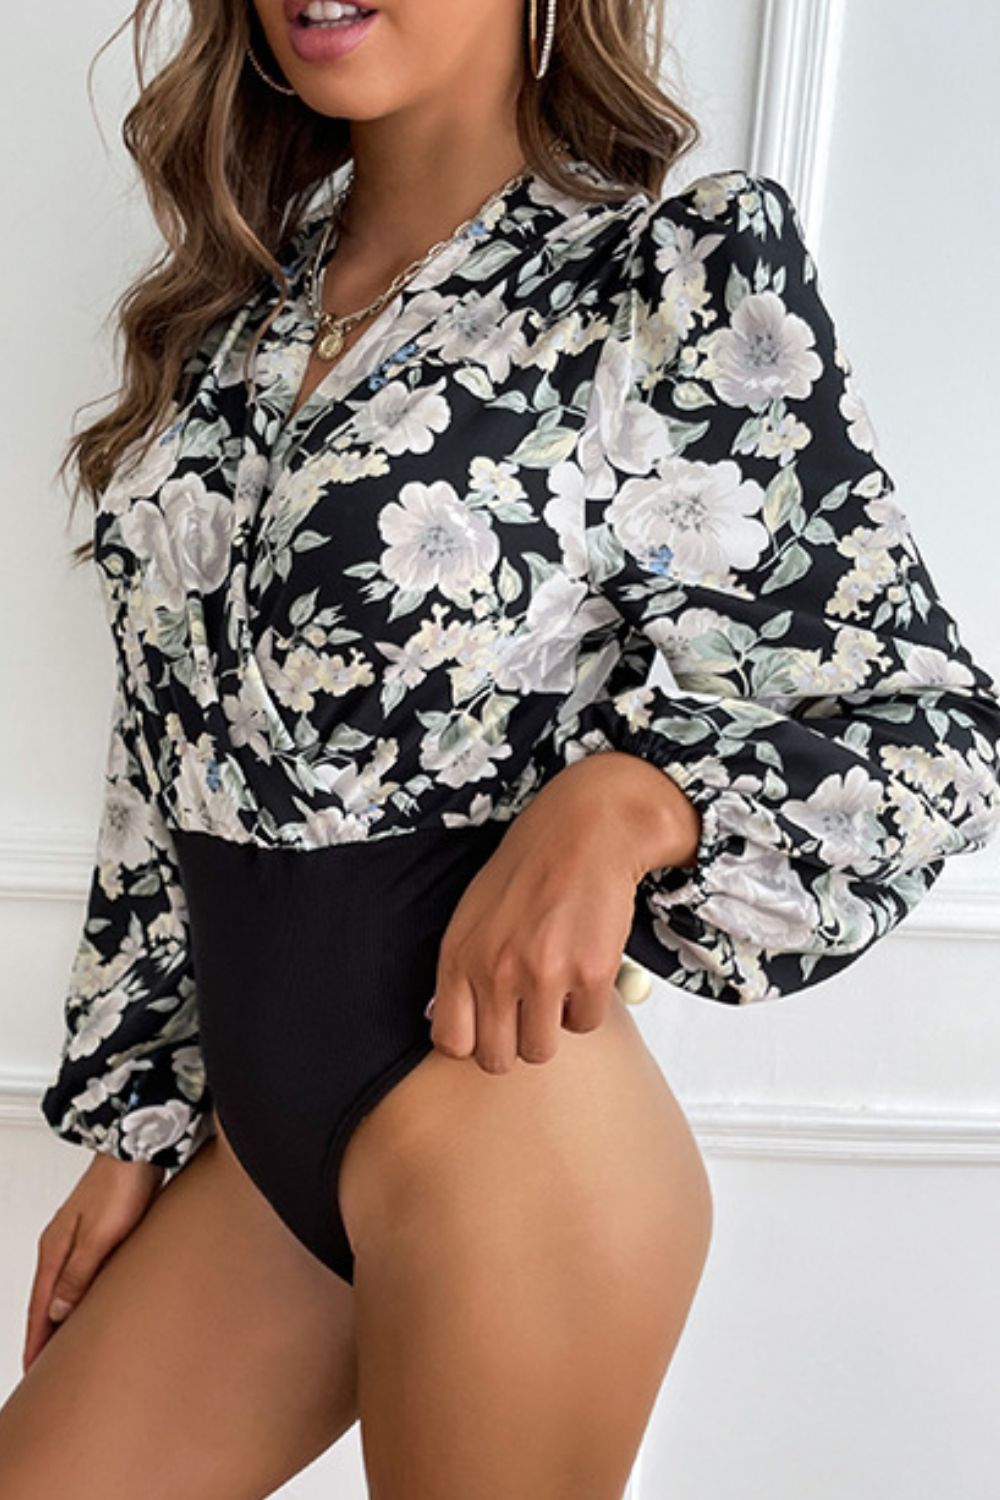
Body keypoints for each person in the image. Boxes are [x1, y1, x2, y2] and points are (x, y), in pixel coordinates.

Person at [3, 0, 1000, 1494]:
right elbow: (163, 745)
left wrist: (634, 801)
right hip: (257, 1146)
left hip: (507, 1134)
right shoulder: (230, 314)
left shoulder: (660, 280)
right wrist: (137, 1121)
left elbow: (926, 726)